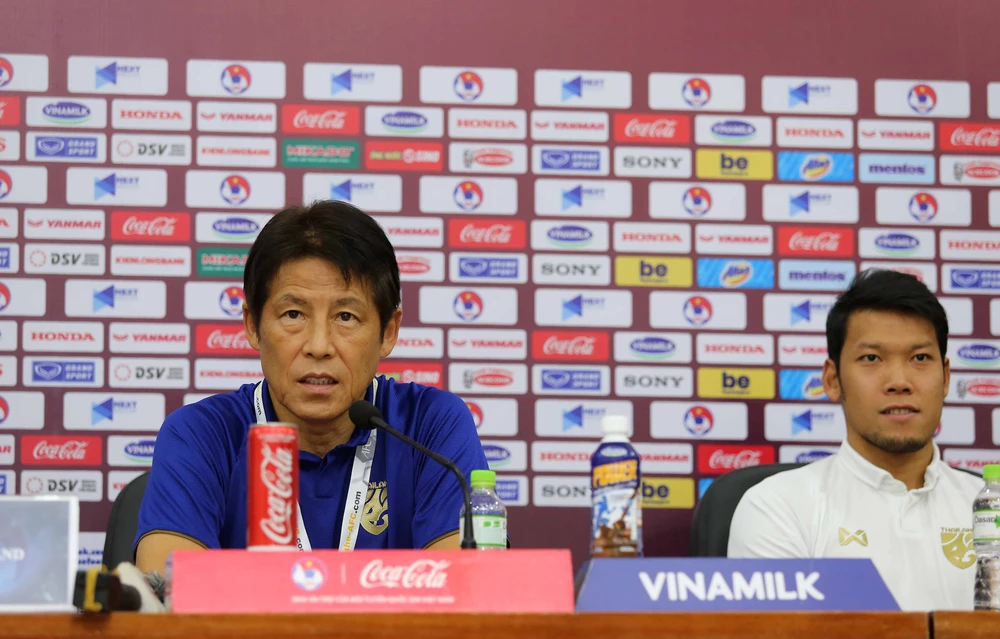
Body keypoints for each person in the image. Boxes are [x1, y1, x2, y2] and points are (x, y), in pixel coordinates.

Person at [135, 200, 489, 574]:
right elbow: (169, 592)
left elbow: (469, 587)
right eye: (294, 314)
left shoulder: (430, 426)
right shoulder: (203, 434)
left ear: (388, 331)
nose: (319, 346)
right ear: (253, 325)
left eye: (346, 316)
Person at [727, 269, 982, 611]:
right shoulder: (778, 507)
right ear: (833, 380)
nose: (899, 381)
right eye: (871, 358)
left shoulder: (988, 507)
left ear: (946, 377)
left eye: (920, 358)